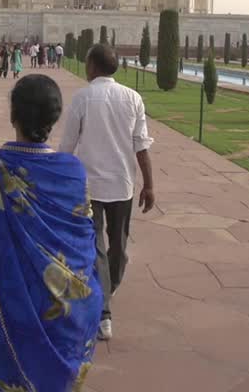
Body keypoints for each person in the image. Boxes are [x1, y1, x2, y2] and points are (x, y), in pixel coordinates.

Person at [0, 75, 102, 391]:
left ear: (13, 116)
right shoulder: (73, 172)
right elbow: (84, 241)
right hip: (70, 315)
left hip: (10, 315)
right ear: (55, 117)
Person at [58, 44, 155, 341]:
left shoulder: (83, 98)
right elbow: (142, 146)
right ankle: (105, 309)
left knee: (98, 247)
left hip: (89, 184)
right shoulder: (133, 98)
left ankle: (104, 298)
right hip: (122, 184)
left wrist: (59, 182)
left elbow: (66, 147)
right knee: (117, 247)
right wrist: (149, 185)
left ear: (93, 67)